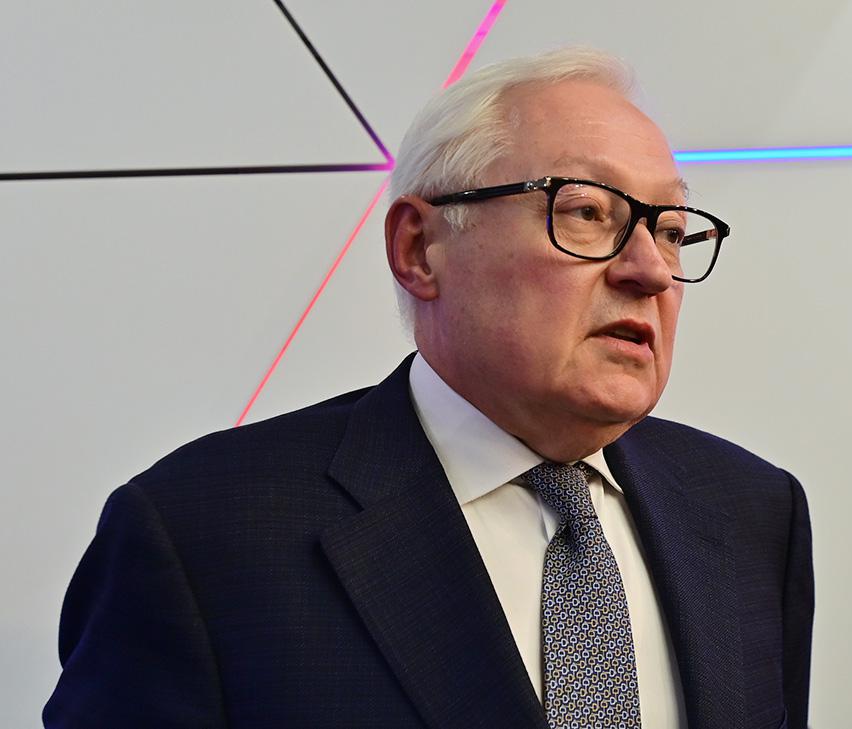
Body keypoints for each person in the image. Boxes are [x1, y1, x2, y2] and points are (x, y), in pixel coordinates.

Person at [45, 47, 813, 729]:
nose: (650, 270)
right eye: (587, 211)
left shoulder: (752, 512)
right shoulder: (200, 535)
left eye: (671, 230)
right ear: (419, 248)